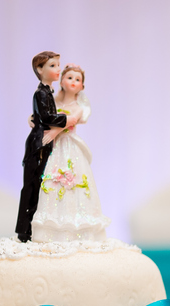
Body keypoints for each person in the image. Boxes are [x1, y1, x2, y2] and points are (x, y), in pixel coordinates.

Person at [30, 64, 111, 243]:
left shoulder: (78, 106)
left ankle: (77, 230)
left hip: (67, 145)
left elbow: (69, 121)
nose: (73, 81)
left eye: (78, 79)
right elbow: (43, 116)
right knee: (51, 182)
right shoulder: (53, 101)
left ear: (82, 86)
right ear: (61, 81)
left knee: (72, 183)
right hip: (53, 147)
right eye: (70, 77)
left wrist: (53, 132)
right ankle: (49, 231)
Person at [14, 51, 74, 242]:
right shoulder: (40, 93)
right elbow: (47, 118)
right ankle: (24, 232)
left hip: (44, 142)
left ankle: (33, 229)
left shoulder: (47, 92)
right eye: (52, 66)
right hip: (38, 144)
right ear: (39, 69)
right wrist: (67, 119)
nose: (58, 69)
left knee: (39, 186)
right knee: (31, 187)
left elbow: (41, 117)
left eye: (58, 65)